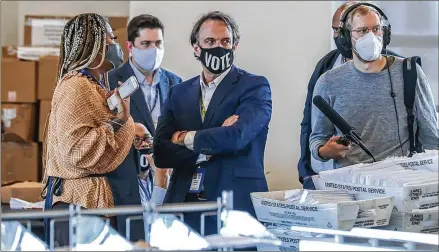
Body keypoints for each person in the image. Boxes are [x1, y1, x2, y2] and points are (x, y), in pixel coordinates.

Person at [153, 11, 272, 236]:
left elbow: (236, 137)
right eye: (210, 41)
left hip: (234, 205)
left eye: (225, 41)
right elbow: (161, 151)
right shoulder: (179, 92)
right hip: (183, 204)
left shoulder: (254, 86)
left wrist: (183, 137)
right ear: (196, 48)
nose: (218, 47)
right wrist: (212, 141)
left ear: (235, 45)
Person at [41, 13, 134, 246]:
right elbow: (77, 151)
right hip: (81, 209)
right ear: (95, 45)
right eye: (111, 38)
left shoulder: (92, 85)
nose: (116, 45)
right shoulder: (76, 87)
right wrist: (120, 120)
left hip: (89, 209)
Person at [309, 3, 439, 171]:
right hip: (352, 183)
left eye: (376, 29)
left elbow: (432, 140)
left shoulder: (409, 72)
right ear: (346, 37)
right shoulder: (328, 82)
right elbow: (317, 139)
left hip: (401, 181)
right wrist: (325, 151)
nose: (370, 36)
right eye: (362, 31)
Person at [298, 1, 400, 189]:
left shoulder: (402, 71)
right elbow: (312, 126)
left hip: (394, 180)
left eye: (375, 29)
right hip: (339, 178)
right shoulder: (326, 71)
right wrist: (306, 169)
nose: (369, 37)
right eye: (335, 30)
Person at [105, 14, 181, 239]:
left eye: (158, 43)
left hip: (165, 181)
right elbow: (103, 129)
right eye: (146, 44)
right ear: (130, 47)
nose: (153, 50)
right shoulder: (110, 81)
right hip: (127, 181)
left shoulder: (176, 83)